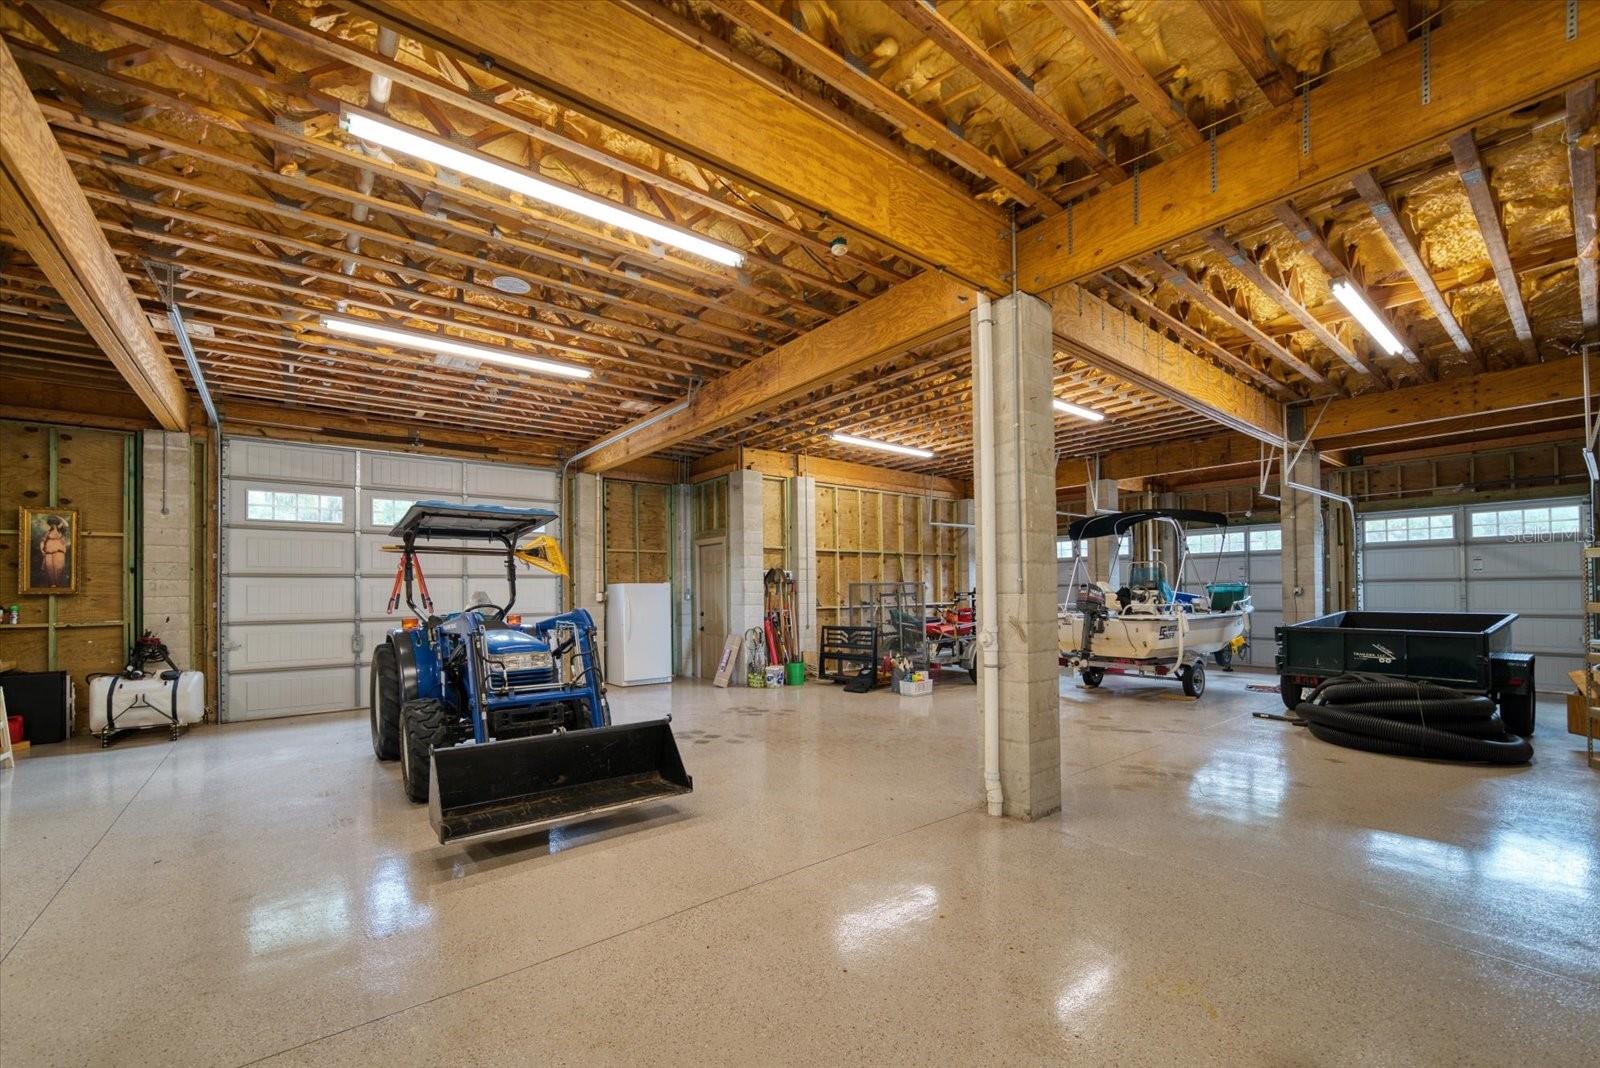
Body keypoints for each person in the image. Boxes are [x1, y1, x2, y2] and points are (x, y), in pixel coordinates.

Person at [36, 516, 68, 588]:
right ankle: (53, 584)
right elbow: (42, 541)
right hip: (49, 553)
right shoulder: (47, 532)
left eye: (54, 523)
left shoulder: (60, 532)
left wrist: (59, 517)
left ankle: (57, 584)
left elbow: (66, 524)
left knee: (59, 568)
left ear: (56, 524)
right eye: (51, 524)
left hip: (59, 552)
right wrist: (42, 550)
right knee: (49, 568)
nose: (52, 525)